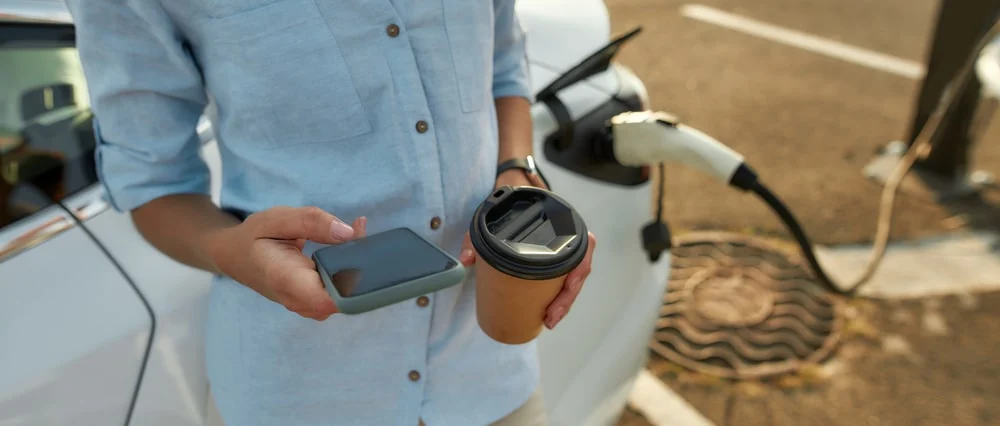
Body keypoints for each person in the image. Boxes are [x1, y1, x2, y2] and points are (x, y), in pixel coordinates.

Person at [64, 1, 597, 425]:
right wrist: (233, 252)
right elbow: (153, 182)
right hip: (301, 395)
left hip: (488, 381)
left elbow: (504, 64)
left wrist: (519, 177)